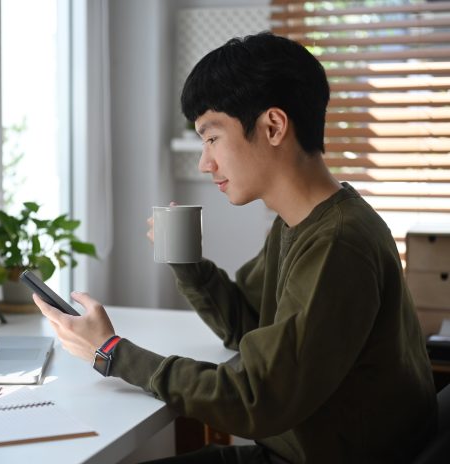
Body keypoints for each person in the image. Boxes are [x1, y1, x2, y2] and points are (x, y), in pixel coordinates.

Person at [31, 32, 437, 464]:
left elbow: (257, 398)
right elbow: (246, 323)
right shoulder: (297, 223)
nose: (205, 163)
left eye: (211, 138)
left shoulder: (338, 242)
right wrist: (186, 262)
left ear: (273, 126)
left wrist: (112, 352)